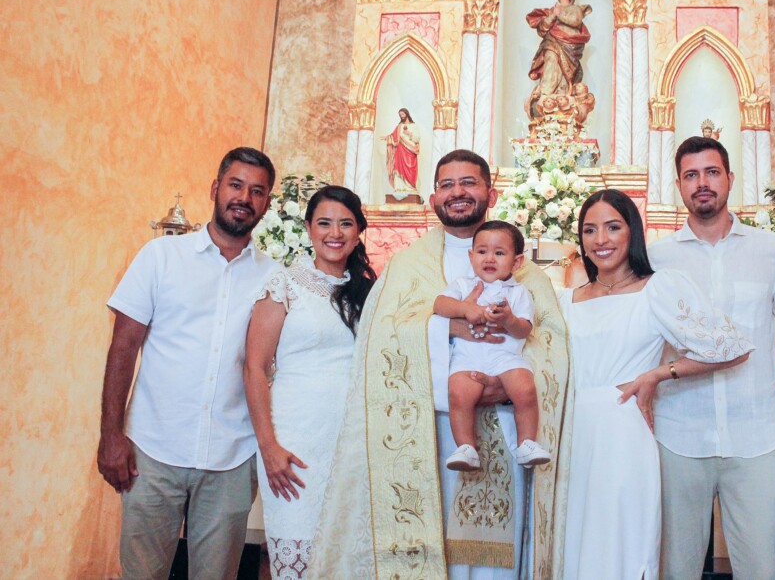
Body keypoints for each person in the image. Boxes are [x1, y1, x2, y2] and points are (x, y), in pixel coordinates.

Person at [308, 150, 571, 579]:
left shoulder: (525, 273)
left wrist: (506, 387)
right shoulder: (408, 266)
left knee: (495, 562)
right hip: (431, 432)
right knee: (435, 548)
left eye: (468, 182)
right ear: (433, 199)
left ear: (491, 193)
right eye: (447, 184)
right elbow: (383, 337)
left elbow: (551, 346)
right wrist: (451, 328)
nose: (457, 192)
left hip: (508, 429)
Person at [97, 147, 277, 579]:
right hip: (153, 450)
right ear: (215, 188)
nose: (244, 198)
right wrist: (110, 434)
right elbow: (123, 347)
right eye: (235, 185)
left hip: (232, 457)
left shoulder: (274, 277)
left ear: (267, 203)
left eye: (256, 191)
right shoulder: (161, 256)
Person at [561, 189, 754, 580]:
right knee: (572, 546)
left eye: (613, 227)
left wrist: (658, 374)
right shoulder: (565, 300)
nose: (600, 240)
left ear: (632, 232)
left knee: (620, 545)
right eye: (590, 230)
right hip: (569, 434)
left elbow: (731, 347)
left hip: (622, 431)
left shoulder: (657, 288)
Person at [647, 136, 775, 579]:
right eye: (691, 175)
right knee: (674, 570)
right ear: (678, 186)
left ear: (730, 179)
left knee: (763, 568)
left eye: (712, 172)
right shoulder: (656, 259)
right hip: (678, 437)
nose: (702, 183)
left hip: (756, 436)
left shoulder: (769, 249)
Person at [243, 185, 376, 579]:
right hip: (295, 445)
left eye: (345, 224)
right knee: (298, 558)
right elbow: (254, 368)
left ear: (358, 231)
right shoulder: (284, 285)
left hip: (352, 445)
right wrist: (269, 447)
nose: (335, 233)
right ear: (308, 227)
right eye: (324, 223)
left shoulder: (368, 294)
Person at [434, 220, 550, 471]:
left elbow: (525, 329)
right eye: (482, 251)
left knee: (525, 389)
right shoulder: (463, 285)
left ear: (517, 262)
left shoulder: (518, 292)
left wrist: (509, 320)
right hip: (467, 357)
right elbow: (440, 305)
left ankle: (526, 443)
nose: (489, 258)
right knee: (458, 394)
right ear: (471, 256)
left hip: (506, 357)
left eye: (499, 253)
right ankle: (466, 447)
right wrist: (465, 308)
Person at [526, 0, 592, 110]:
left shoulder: (575, 9)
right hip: (552, 42)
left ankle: (562, 95)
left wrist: (559, 14)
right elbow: (543, 28)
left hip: (570, 46)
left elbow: (575, 21)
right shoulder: (552, 10)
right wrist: (552, 15)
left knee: (565, 72)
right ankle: (546, 94)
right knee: (550, 59)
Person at [384, 107, 421, 193]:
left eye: (403, 114)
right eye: (400, 115)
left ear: (407, 114)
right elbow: (393, 136)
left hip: (410, 150)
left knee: (410, 168)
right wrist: (388, 137)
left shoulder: (414, 126)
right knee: (398, 167)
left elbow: (417, 138)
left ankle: (411, 188)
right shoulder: (399, 126)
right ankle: (399, 188)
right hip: (400, 150)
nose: (401, 116)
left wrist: (409, 133)